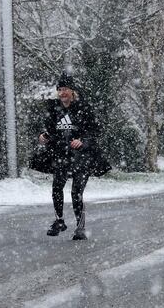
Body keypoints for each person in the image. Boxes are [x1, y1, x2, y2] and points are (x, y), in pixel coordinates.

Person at [35, 72, 110, 241]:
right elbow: (47, 128)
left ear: (72, 91)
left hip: (82, 157)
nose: (62, 93)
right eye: (60, 89)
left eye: (65, 89)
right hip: (61, 153)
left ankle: (80, 227)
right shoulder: (54, 108)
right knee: (56, 187)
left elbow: (96, 131)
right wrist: (43, 136)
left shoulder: (83, 107)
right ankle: (59, 221)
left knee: (76, 192)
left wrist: (83, 141)